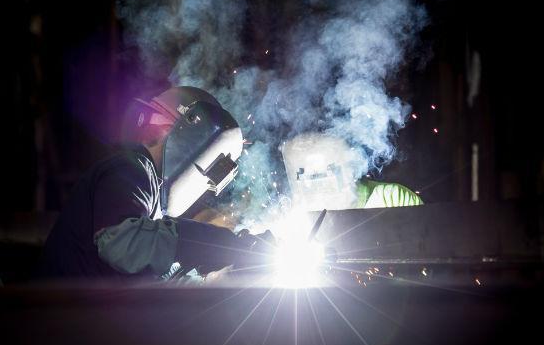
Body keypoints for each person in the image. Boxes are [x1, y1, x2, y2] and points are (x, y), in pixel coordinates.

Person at [37, 86, 273, 282]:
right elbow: (123, 244)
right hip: (61, 324)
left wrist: (231, 269)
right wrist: (220, 243)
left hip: (80, 325)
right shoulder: (130, 167)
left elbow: (159, 284)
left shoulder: (153, 206)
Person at [281, 132, 423, 211]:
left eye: (326, 174)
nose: (317, 186)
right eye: (307, 178)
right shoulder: (296, 212)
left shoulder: (391, 198)